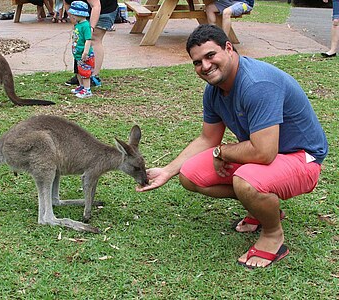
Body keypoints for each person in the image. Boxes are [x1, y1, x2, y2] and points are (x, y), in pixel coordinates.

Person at [137, 24, 328, 269]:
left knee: (246, 180)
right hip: (266, 154)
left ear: (228, 48)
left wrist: (223, 151)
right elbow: (207, 139)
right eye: (197, 62)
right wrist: (167, 171)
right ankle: (263, 209)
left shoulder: (257, 84)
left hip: (301, 156)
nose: (205, 66)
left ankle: (272, 235)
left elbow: (263, 153)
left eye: (210, 55)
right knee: (190, 175)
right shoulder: (214, 91)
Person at [64, 0, 118, 87]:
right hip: (85, 9)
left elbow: (96, 6)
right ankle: (82, 74)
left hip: (104, 8)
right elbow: (67, 3)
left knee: (94, 39)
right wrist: (76, 24)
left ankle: (93, 76)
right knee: (81, 40)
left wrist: (91, 28)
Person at [68, 1, 95, 98]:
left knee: (85, 72)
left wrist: (86, 52)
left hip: (84, 54)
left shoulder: (86, 26)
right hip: (78, 54)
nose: (73, 16)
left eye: (74, 14)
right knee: (79, 71)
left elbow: (88, 40)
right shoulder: (78, 25)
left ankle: (87, 90)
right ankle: (82, 86)